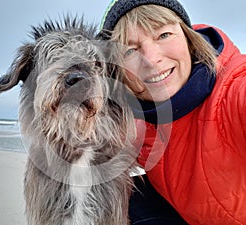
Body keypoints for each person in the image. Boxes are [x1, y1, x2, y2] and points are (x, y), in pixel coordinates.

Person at [100, 0, 246, 224]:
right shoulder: (133, 116)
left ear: (189, 38)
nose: (151, 59)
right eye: (130, 50)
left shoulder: (233, 91)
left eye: (164, 35)